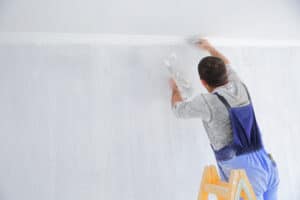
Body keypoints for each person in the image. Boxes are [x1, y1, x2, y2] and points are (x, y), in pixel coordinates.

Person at [169, 39, 279, 200]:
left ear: (203, 82)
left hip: (245, 174)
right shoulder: (239, 86)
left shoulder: (207, 102)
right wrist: (209, 48)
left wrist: (174, 88)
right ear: (225, 74)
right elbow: (226, 63)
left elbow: (178, 110)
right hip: (267, 165)